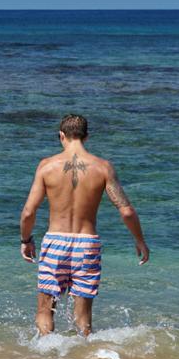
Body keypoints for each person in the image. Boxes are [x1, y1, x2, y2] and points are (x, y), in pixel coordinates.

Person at [19, 114, 149, 336]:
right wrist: (140, 241)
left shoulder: (46, 166)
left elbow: (29, 212)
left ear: (61, 136)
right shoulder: (103, 168)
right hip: (87, 245)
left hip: (55, 242)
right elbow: (126, 211)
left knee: (45, 309)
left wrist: (26, 240)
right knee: (83, 318)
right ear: (86, 137)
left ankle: (45, 357)